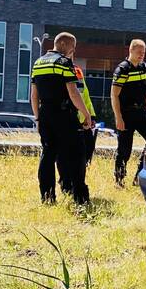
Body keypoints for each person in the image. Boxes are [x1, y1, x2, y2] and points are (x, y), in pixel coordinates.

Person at [30, 32, 93, 205]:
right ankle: (80, 196)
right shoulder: (65, 63)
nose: (73, 50)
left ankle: (47, 197)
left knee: (48, 155)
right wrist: (86, 114)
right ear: (64, 44)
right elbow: (73, 92)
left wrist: (37, 118)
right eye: (73, 46)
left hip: (45, 115)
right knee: (77, 153)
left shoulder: (38, 63)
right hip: (64, 115)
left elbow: (34, 95)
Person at [111, 39, 146, 186]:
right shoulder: (122, 69)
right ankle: (119, 180)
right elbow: (114, 95)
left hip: (142, 112)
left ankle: (139, 176)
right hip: (126, 114)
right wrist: (118, 117)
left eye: (143, 53)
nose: (141, 56)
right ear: (131, 51)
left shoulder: (144, 67)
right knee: (125, 150)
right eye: (139, 53)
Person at [60, 63, 97, 195]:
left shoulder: (77, 70)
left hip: (83, 120)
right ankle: (66, 183)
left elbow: (85, 94)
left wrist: (91, 115)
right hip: (68, 120)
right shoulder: (59, 68)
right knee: (65, 155)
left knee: (88, 149)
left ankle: (76, 181)